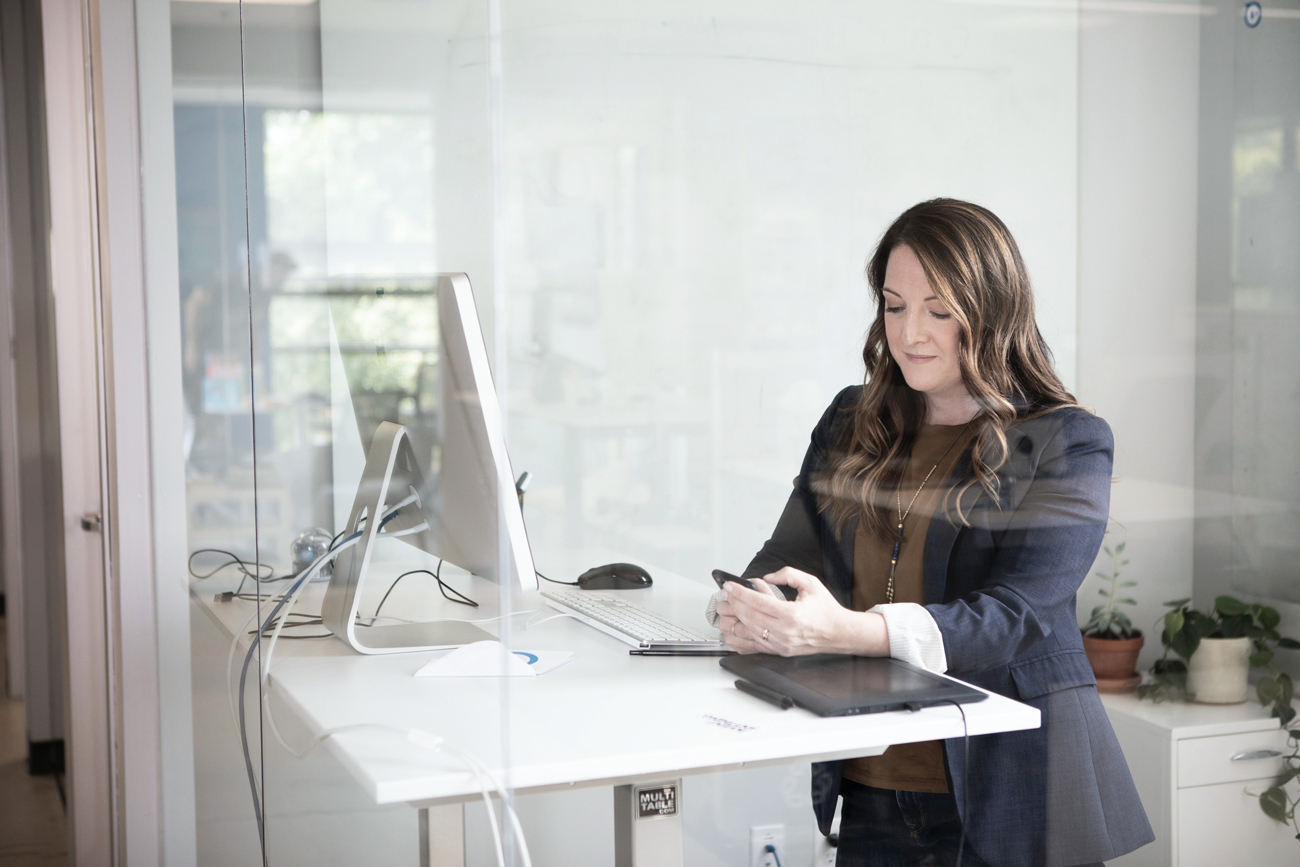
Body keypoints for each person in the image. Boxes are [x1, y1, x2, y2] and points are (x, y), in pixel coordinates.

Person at [712, 199, 1153, 867]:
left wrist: (842, 630)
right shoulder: (850, 419)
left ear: (992, 310)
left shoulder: (1068, 441)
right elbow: (785, 560)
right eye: (894, 306)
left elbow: (1015, 616)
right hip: (872, 788)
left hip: (1013, 793)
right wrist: (750, 607)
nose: (911, 332)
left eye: (939, 310)